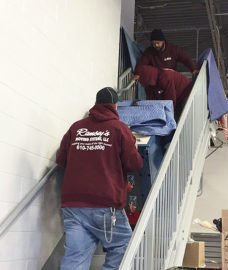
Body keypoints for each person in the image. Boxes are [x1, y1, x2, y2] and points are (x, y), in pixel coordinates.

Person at [56, 87, 143, 270]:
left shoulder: (77, 127)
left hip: (73, 205)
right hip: (104, 204)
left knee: (75, 257)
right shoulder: (120, 129)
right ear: (116, 106)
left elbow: (61, 160)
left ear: (95, 104)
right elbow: (135, 164)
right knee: (124, 246)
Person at [132, 29, 199, 82]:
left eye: (158, 43)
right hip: (157, 81)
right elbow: (142, 63)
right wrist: (137, 74)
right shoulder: (149, 52)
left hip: (171, 79)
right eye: (153, 43)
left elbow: (185, 59)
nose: (156, 45)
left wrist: (194, 69)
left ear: (163, 41)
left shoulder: (173, 49)